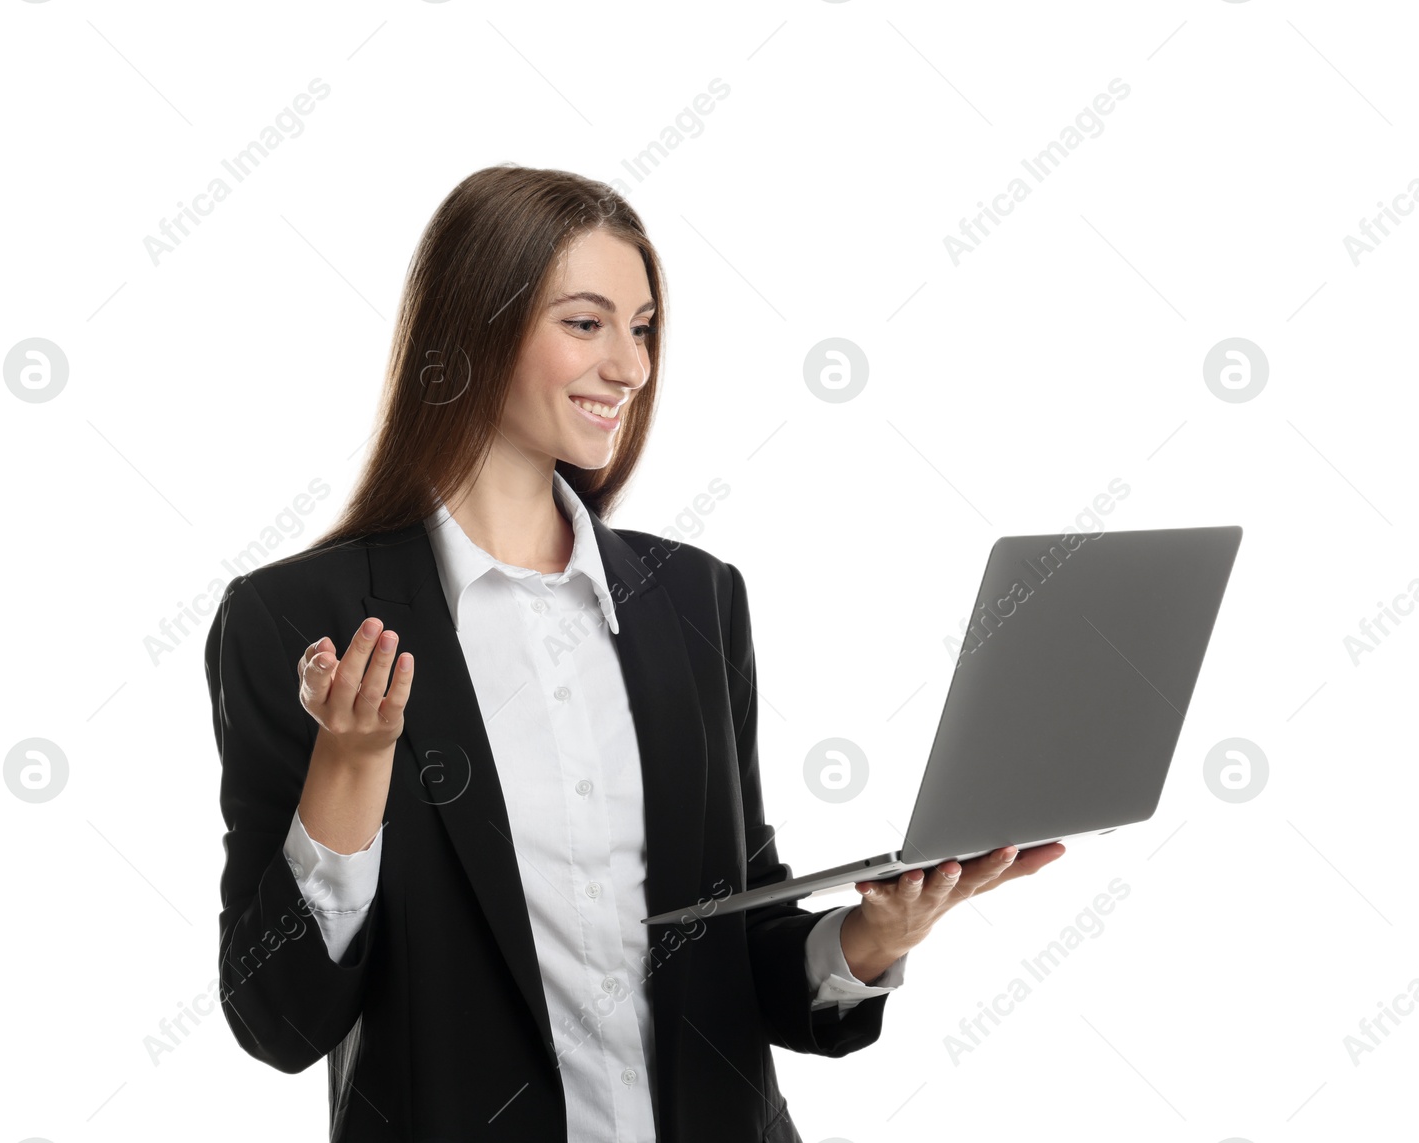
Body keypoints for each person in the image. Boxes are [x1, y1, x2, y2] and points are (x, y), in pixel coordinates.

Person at [203, 165, 1064, 1143]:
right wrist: (351, 765)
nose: (630, 367)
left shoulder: (695, 599)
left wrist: (873, 937)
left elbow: (737, 937)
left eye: (642, 327)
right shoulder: (296, 619)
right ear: (471, 331)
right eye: (585, 323)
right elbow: (279, 1018)